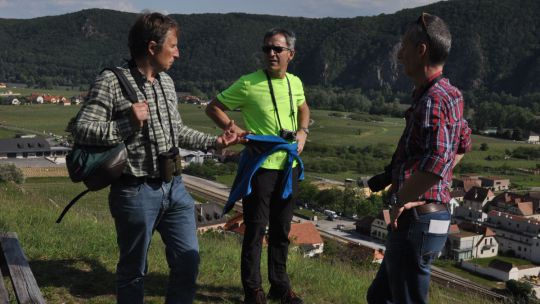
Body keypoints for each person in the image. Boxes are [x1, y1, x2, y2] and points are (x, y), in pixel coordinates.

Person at [69, 12, 240, 304]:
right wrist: (127, 124)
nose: (177, 52)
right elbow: (81, 129)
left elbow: (178, 131)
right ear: (152, 47)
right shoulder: (111, 81)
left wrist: (215, 142)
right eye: (172, 46)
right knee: (134, 270)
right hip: (134, 192)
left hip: (175, 188)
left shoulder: (167, 83)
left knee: (188, 262)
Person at [366, 13, 472, 304]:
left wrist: (402, 199)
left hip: (417, 220)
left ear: (421, 50)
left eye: (403, 47)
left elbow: (439, 162)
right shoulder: (450, 94)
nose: (399, 55)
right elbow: (460, 148)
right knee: (380, 297)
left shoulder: (432, 101)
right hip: (429, 215)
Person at [206, 28, 310, 304]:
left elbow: (304, 107)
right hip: (260, 168)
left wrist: (303, 132)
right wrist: (235, 129)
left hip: (288, 166)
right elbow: (213, 107)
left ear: (291, 54)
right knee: (255, 229)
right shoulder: (249, 83)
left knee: (281, 230)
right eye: (267, 49)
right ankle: (253, 290)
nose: (271, 54)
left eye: (277, 49)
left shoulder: (295, 82)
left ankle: (280, 286)